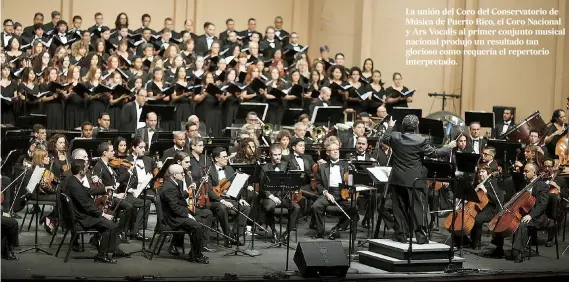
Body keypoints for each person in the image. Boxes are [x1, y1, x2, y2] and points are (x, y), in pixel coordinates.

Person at [382, 114, 455, 244]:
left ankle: (401, 235)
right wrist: (449, 147)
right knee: (418, 208)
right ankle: (420, 237)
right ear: (416, 127)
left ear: (403, 126)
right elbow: (434, 153)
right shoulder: (420, 140)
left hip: (397, 178)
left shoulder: (395, 137)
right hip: (415, 180)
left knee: (398, 208)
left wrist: (390, 126)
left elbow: (385, 138)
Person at [65, 159, 129, 263]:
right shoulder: (75, 185)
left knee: (110, 223)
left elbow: (88, 190)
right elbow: (87, 206)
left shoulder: (73, 181)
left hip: (81, 215)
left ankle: (111, 248)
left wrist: (105, 188)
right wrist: (103, 214)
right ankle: (101, 255)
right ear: (81, 171)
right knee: (111, 226)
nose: (88, 168)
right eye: (85, 167)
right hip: (82, 219)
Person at [487, 163, 552, 262]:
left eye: (527, 171)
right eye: (524, 171)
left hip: (536, 216)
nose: (524, 174)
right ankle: (498, 249)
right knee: (501, 219)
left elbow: (542, 205)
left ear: (534, 173)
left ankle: (517, 252)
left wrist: (531, 215)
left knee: (521, 224)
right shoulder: (524, 184)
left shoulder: (542, 186)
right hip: (522, 212)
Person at [159, 164, 209, 264]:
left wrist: (188, 191)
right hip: (173, 219)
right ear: (173, 175)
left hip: (176, 215)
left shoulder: (172, 183)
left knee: (203, 221)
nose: (183, 175)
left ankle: (194, 252)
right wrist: (188, 215)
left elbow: (178, 197)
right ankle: (196, 256)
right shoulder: (169, 187)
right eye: (181, 173)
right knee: (196, 226)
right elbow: (175, 208)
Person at [311, 139, 357, 240]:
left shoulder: (346, 165)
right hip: (328, 193)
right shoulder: (322, 166)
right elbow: (318, 184)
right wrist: (326, 193)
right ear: (327, 152)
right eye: (333, 150)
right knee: (316, 206)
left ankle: (338, 228)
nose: (336, 151)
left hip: (342, 193)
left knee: (353, 206)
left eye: (337, 149)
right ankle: (320, 231)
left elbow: (351, 182)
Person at [258, 144, 301, 242]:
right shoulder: (264, 168)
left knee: (296, 207)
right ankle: (273, 231)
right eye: (275, 155)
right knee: (269, 207)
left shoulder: (286, 165)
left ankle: (287, 233)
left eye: (279, 154)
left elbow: (290, 181)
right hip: (270, 197)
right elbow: (262, 188)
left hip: (283, 196)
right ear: (270, 155)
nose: (278, 157)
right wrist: (272, 197)